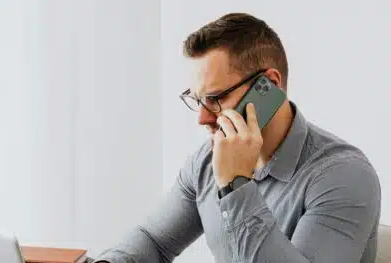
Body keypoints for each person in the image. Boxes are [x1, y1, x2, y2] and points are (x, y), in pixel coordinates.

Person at [93, 13, 381, 263]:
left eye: (216, 98)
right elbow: (153, 241)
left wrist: (236, 186)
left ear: (269, 85)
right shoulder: (206, 162)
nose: (203, 118)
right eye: (198, 100)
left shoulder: (345, 176)